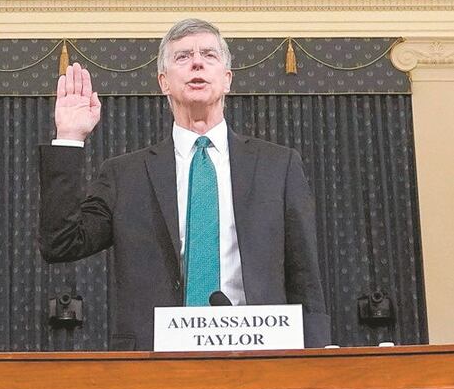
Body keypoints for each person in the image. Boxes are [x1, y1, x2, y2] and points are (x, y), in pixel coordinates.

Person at [39, 18, 330, 350]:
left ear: (227, 79)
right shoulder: (125, 175)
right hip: (156, 360)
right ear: (163, 82)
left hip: (259, 355)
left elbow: (305, 276)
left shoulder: (278, 166)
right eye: (183, 57)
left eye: (209, 55)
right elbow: (61, 243)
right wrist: (69, 137)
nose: (197, 63)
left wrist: (316, 361)